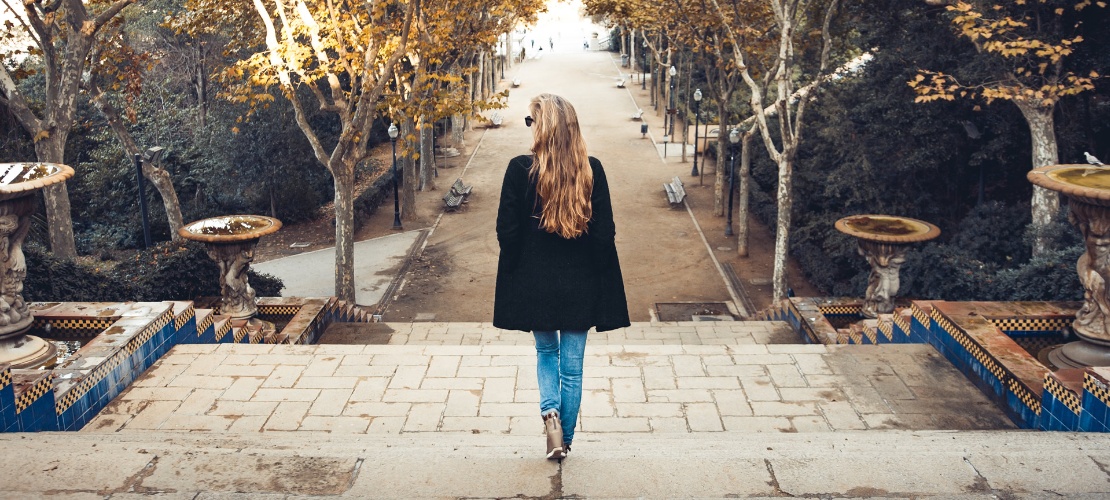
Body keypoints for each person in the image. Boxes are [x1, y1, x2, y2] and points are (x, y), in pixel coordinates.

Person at [494, 94, 631, 460]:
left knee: (544, 351)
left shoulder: (518, 169)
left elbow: (506, 232)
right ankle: (564, 440)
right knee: (572, 367)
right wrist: (595, 274)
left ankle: (550, 414)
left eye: (530, 121)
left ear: (542, 128)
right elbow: (605, 235)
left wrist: (519, 268)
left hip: (535, 282)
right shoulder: (592, 170)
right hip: (580, 283)